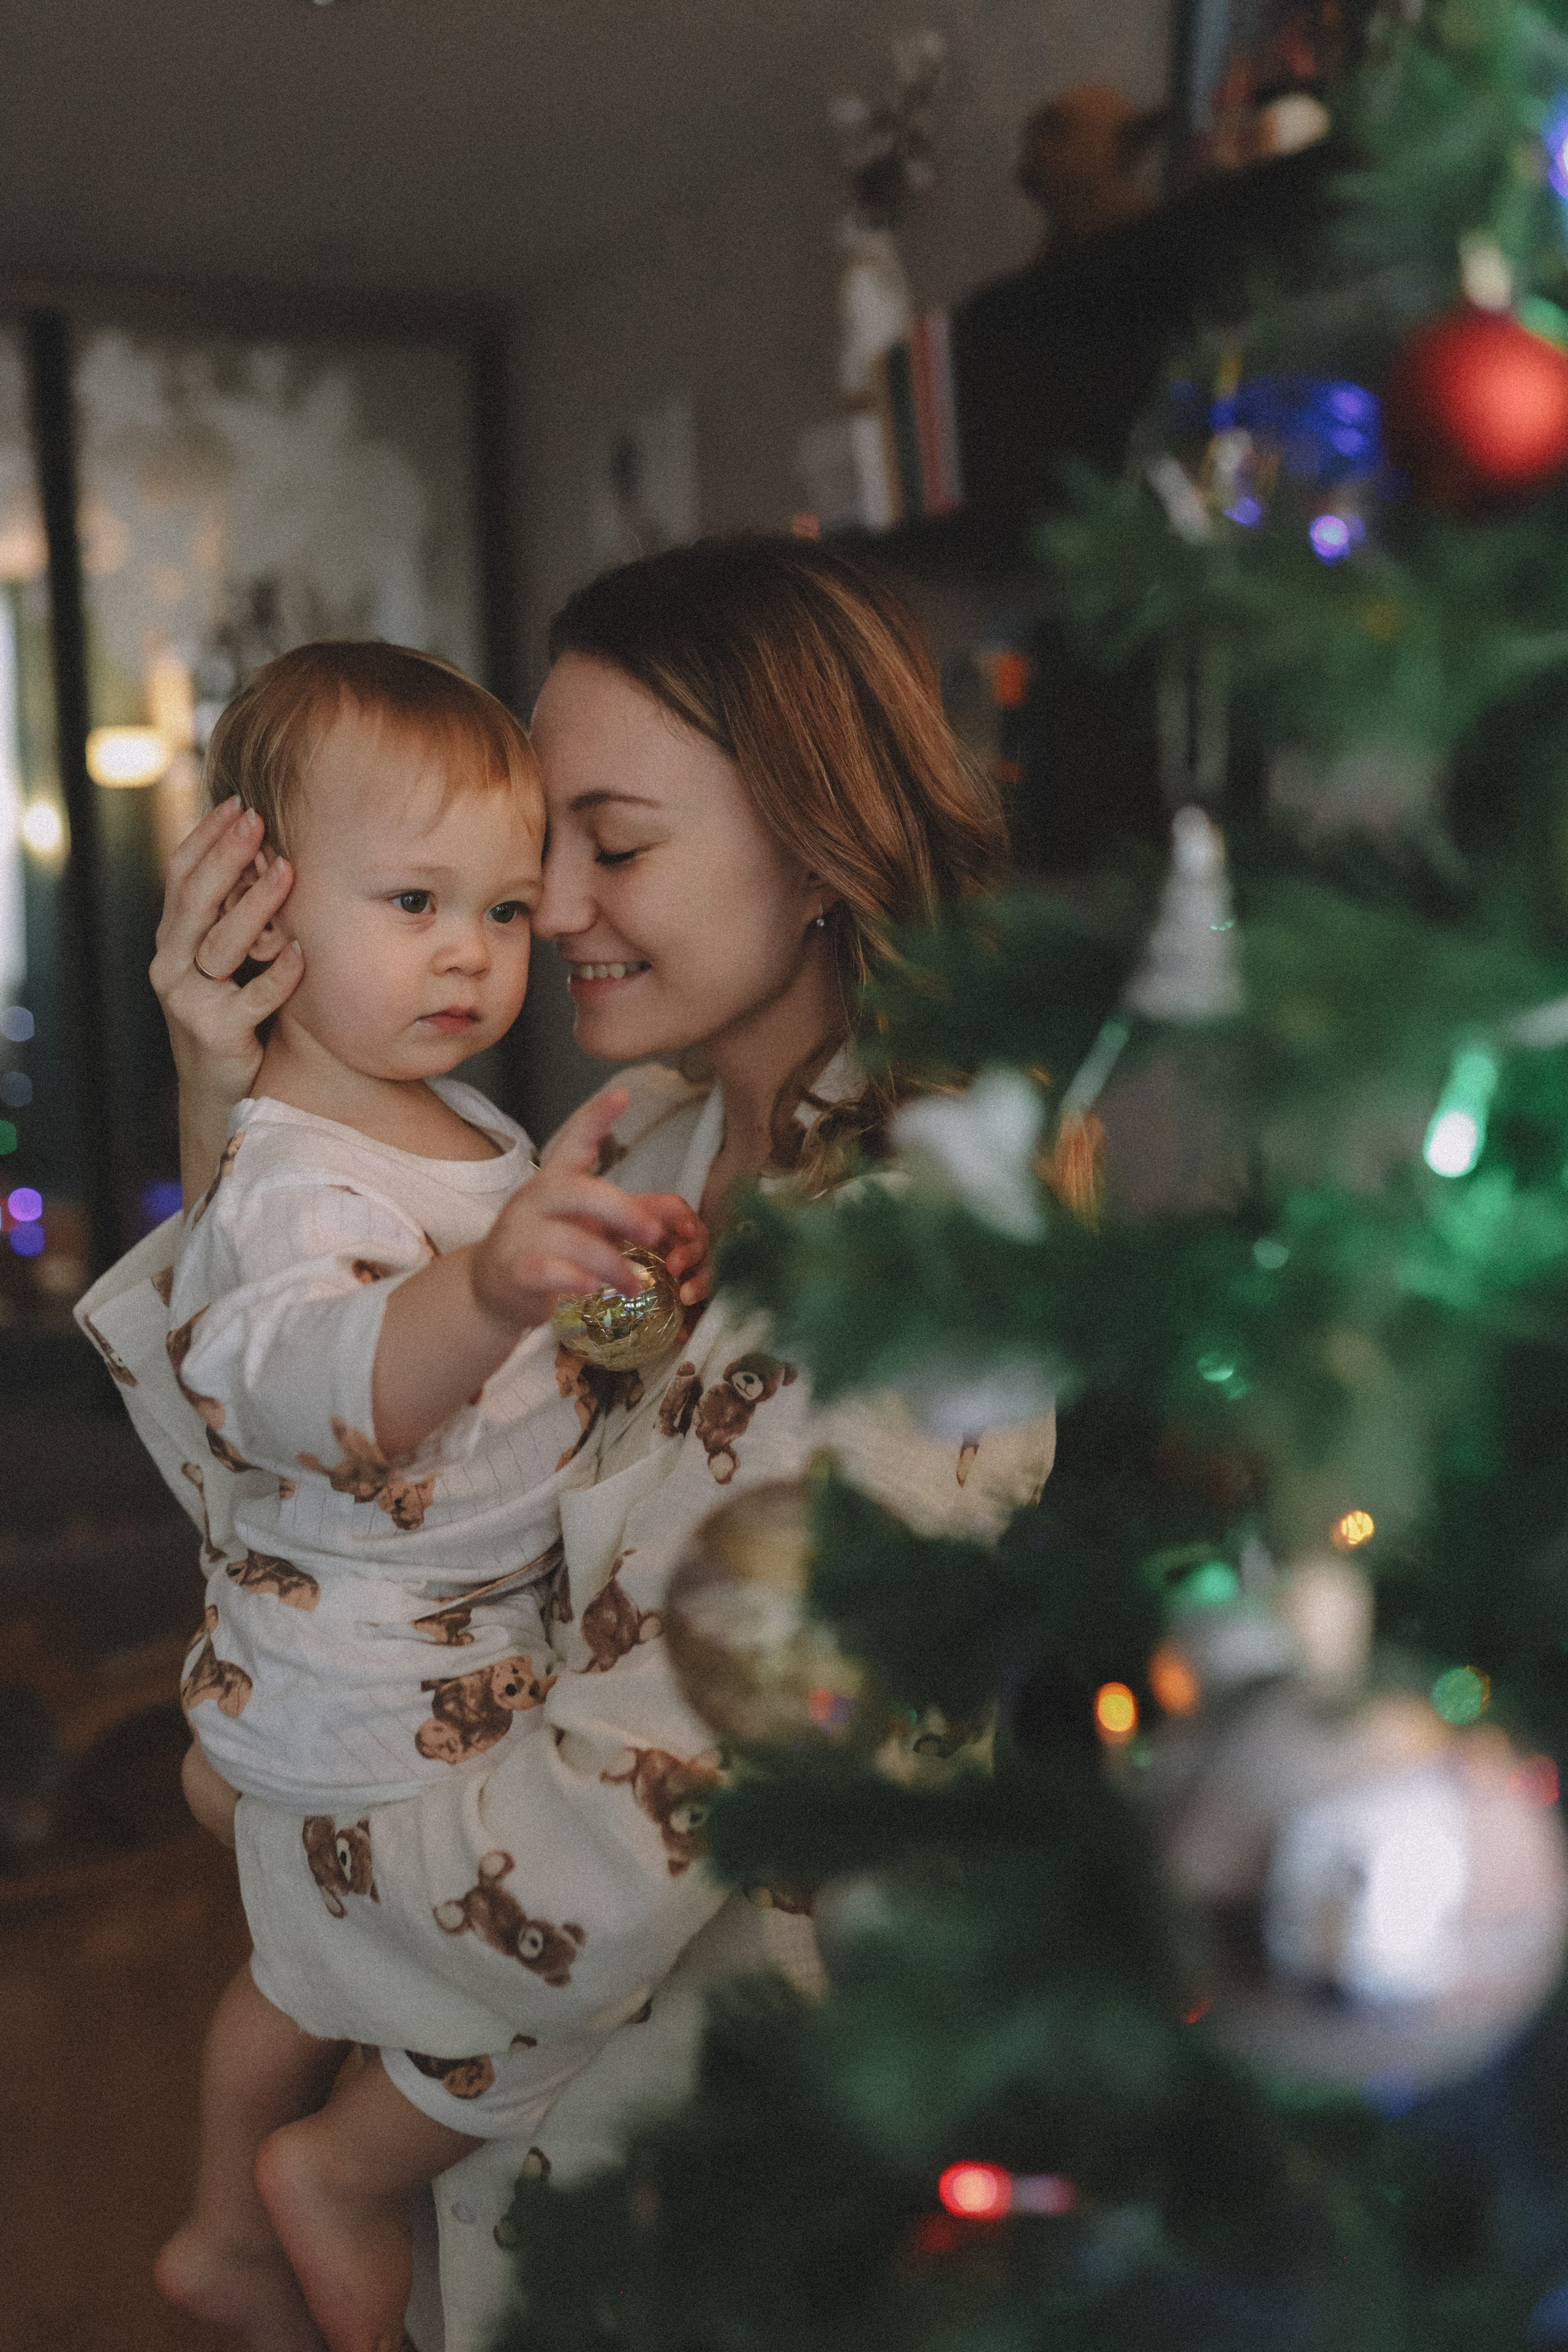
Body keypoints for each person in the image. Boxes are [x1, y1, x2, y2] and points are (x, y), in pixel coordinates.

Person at [78, 535, 1055, 2352]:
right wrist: (242, 1090)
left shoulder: (926, 1260)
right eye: (543, 855)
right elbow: (314, 1496)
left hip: (717, 2178)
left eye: (613, 846)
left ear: (816, 847)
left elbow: (635, 1823)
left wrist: (278, 1828)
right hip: (497, 2128)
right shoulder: (639, 1152)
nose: (549, 907)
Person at [103, 640, 704, 2352]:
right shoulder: (292, 1169)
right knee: (533, 1971)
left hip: (399, 1649)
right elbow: (314, 1387)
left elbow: (531, 1374)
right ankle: (336, 2176)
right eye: (418, 901)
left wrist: (616, 1309)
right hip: (384, 1679)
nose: (474, 951)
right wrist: (495, 1286)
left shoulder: (455, 1124)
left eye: (503, 911)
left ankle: (227, 2228)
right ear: (264, 906)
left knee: (300, 1968)